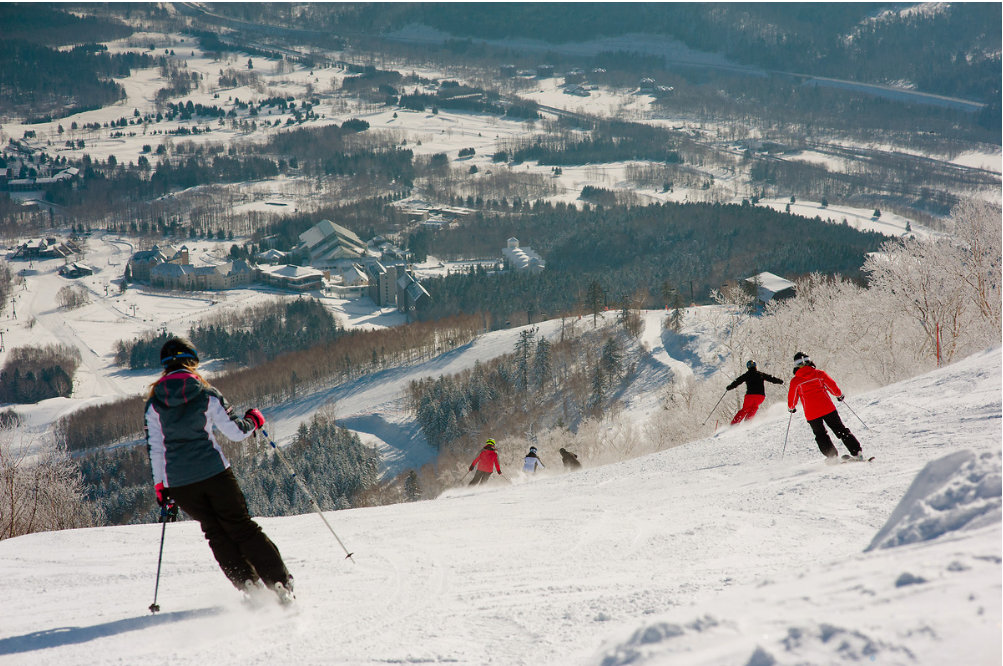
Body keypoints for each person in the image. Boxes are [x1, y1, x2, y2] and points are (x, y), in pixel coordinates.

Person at [144, 336, 295, 604]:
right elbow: (235, 432)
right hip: (214, 473)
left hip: (180, 483)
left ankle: (249, 586)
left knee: (215, 533)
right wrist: (253, 421)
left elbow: (156, 449)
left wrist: (161, 487)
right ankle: (279, 583)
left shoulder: (153, 403)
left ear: (165, 366)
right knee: (241, 527)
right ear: (192, 362)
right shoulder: (205, 393)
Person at [787, 352, 863, 461]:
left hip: (812, 414)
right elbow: (831, 385)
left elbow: (792, 398)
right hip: (828, 409)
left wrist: (791, 407)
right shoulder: (819, 374)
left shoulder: (796, 381)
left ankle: (832, 457)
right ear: (809, 361)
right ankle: (857, 452)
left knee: (821, 435)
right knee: (840, 430)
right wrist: (838, 395)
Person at [726, 360, 784, 424]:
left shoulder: (746, 375)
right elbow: (771, 378)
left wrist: (730, 387)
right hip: (760, 396)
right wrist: (780, 381)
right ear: (755, 366)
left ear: (748, 367)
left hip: (750, 396)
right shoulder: (760, 374)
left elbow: (737, 381)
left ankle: (734, 424)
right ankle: (747, 423)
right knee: (754, 408)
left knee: (745, 409)